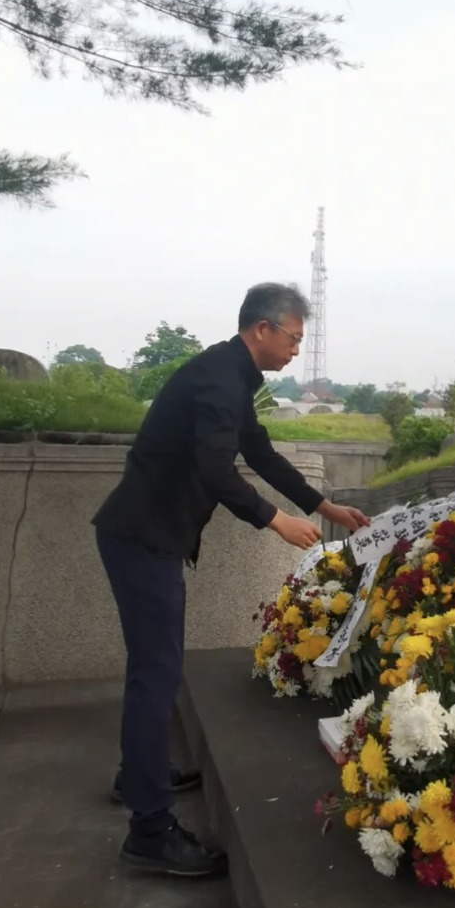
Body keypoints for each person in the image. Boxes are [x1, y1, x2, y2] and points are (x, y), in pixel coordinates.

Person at [93, 282, 370, 877]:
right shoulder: (220, 377)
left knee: (153, 670)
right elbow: (216, 468)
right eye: (293, 338)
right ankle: (148, 829)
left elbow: (260, 453)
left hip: (148, 536)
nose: (297, 349)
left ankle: (136, 775)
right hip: (143, 539)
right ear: (262, 330)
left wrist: (324, 508)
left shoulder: (231, 375)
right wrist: (277, 520)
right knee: (156, 674)